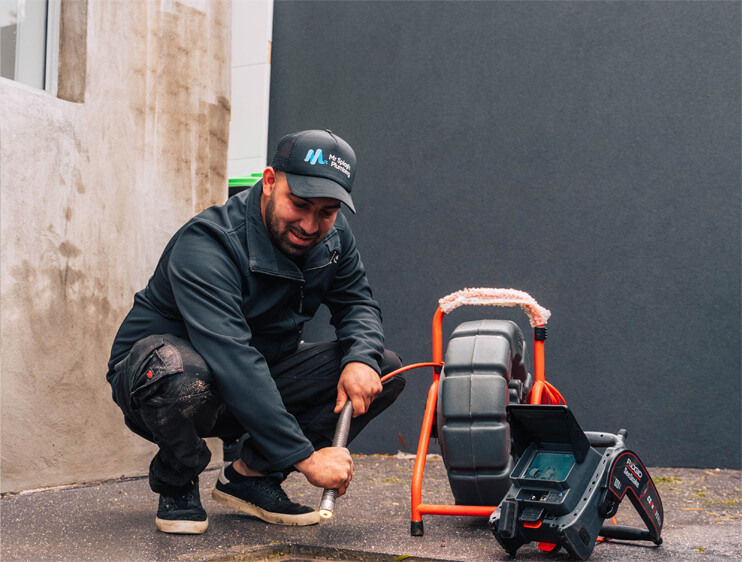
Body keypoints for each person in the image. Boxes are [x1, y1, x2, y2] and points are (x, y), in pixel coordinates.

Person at [106, 129, 405, 534]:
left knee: (382, 370)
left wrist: (360, 359)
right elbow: (232, 358)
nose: (310, 223)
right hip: (162, 379)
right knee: (180, 373)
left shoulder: (333, 239)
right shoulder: (208, 244)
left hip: (258, 371)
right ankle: (177, 477)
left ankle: (252, 476)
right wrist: (305, 457)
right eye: (298, 204)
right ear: (268, 182)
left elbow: (357, 303)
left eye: (327, 210)